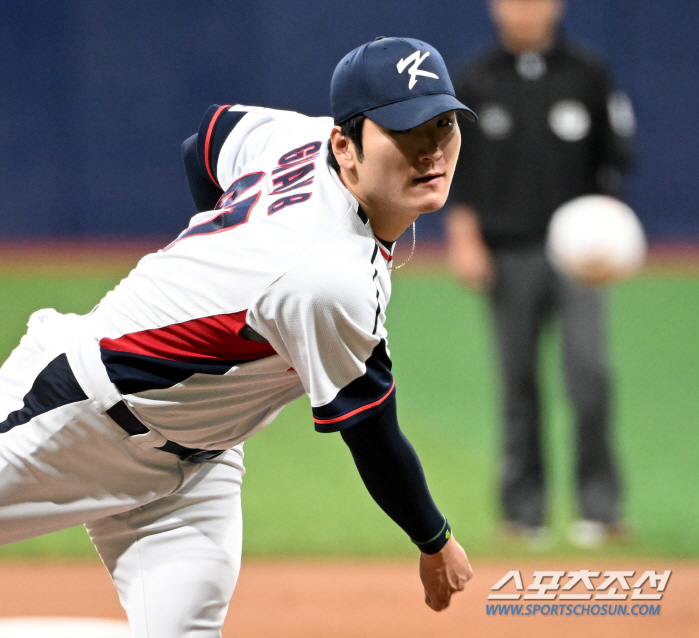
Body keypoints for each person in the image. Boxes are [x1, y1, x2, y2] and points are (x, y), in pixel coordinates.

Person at [0, 37, 475, 637]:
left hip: (196, 468)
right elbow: (372, 436)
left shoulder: (300, 140)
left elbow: (208, 137)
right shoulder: (325, 276)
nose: (431, 149)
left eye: (442, 124)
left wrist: (224, 245)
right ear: (345, 146)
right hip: (76, 415)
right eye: (406, 132)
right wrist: (434, 541)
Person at [446, 0, 635, 547]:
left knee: (590, 374)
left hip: (580, 258)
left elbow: (618, 155)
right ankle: (523, 513)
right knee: (518, 382)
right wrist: (465, 238)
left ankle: (600, 509)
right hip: (509, 252)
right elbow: (457, 166)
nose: (522, 9)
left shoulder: (588, 72)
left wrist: (609, 228)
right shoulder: (477, 79)